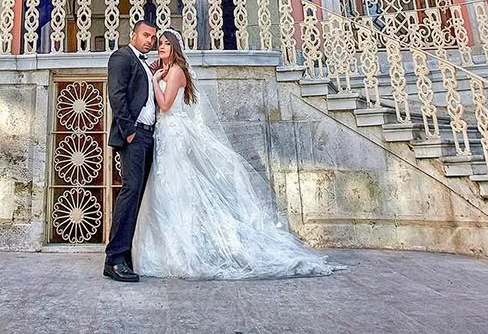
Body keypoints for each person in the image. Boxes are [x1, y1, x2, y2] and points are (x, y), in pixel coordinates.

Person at [132, 29, 340, 280]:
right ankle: (164, 250)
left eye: (166, 43)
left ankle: (184, 249)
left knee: (176, 189)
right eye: (159, 43)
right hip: (164, 133)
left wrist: (155, 80)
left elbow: (165, 105)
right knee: (164, 189)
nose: (161, 47)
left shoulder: (175, 72)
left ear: (175, 47)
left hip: (173, 133)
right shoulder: (166, 70)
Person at [103, 19, 159, 282]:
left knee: (137, 195)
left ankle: (124, 255)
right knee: (130, 192)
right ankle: (114, 259)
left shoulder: (145, 63)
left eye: (153, 38)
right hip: (134, 136)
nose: (150, 40)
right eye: (146, 35)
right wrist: (129, 132)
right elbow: (117, 96)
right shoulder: (122, 57)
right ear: (134, 34)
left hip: (147, 136)